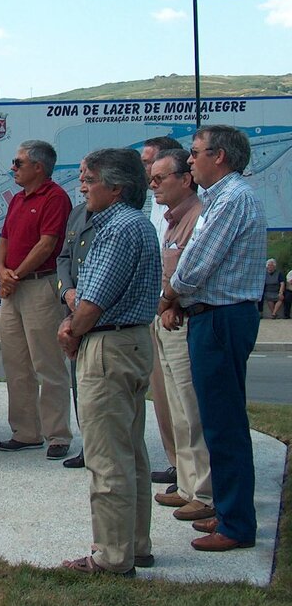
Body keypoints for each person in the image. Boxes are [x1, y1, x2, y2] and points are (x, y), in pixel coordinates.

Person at [163, 125, 266, 552]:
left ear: (219, 156)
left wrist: (168, 293)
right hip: (212, 316)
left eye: (196, 152)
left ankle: (237, 525)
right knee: (217, 420)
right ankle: (227, 511)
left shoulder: (233, 199)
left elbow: (196, 265)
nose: (190, 160)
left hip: (221, 318)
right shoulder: (220, 199)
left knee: (223, 424)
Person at [58, 147, 159, 576]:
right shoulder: (134, 224)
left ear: (116, 187)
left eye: (89, 179)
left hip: (108, 347)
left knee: (106, 459)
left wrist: (71, 330)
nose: (82, 187)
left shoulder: (117, 229)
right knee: (131, 452)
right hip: (132, 342)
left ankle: (112, 557)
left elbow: (93, 300)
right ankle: (135, 545)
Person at [148, 149, 214, 523]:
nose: (152, 184)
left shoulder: (197, 219)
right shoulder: (173, 220)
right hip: (167, 317)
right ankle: (188, 486)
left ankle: (204, 491)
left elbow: (192, 273)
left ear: (185, 179)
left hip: (182, 320)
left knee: (192, 411)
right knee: (177, 411)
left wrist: (169, 302)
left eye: (160, 178)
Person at [0, 140, 73, 459]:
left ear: (38, 167)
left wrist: (15, 275)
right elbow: (3, 239)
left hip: (39, 286)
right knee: (16, 363)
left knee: (47, 362)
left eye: (18, 163)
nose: (13, 168)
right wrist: (1, 270)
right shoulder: (16, 199)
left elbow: (47, 244)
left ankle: (57, 434)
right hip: (12, 289)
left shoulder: (55, 198)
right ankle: (26, 431)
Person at [141, 136, 182, 489]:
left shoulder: (186, 207)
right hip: (153, 303)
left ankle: (192, 471)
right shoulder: (149, 202)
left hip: (172, 307)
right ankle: (175, 463)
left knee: (181, 396)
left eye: (152, 165)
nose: (148, 175)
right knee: (161, 392)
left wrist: (168, 300)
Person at [55, 158, 95, 470]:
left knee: (98, 390)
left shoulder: (118, 221)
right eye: (80, 176)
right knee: (78, 384)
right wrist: (66, 291)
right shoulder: (78, 213)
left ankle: (100, 448)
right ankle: (88, 445)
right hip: (73, 304)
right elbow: (65, 257)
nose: (81, 183)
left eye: (88, 178)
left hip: (95, 314)